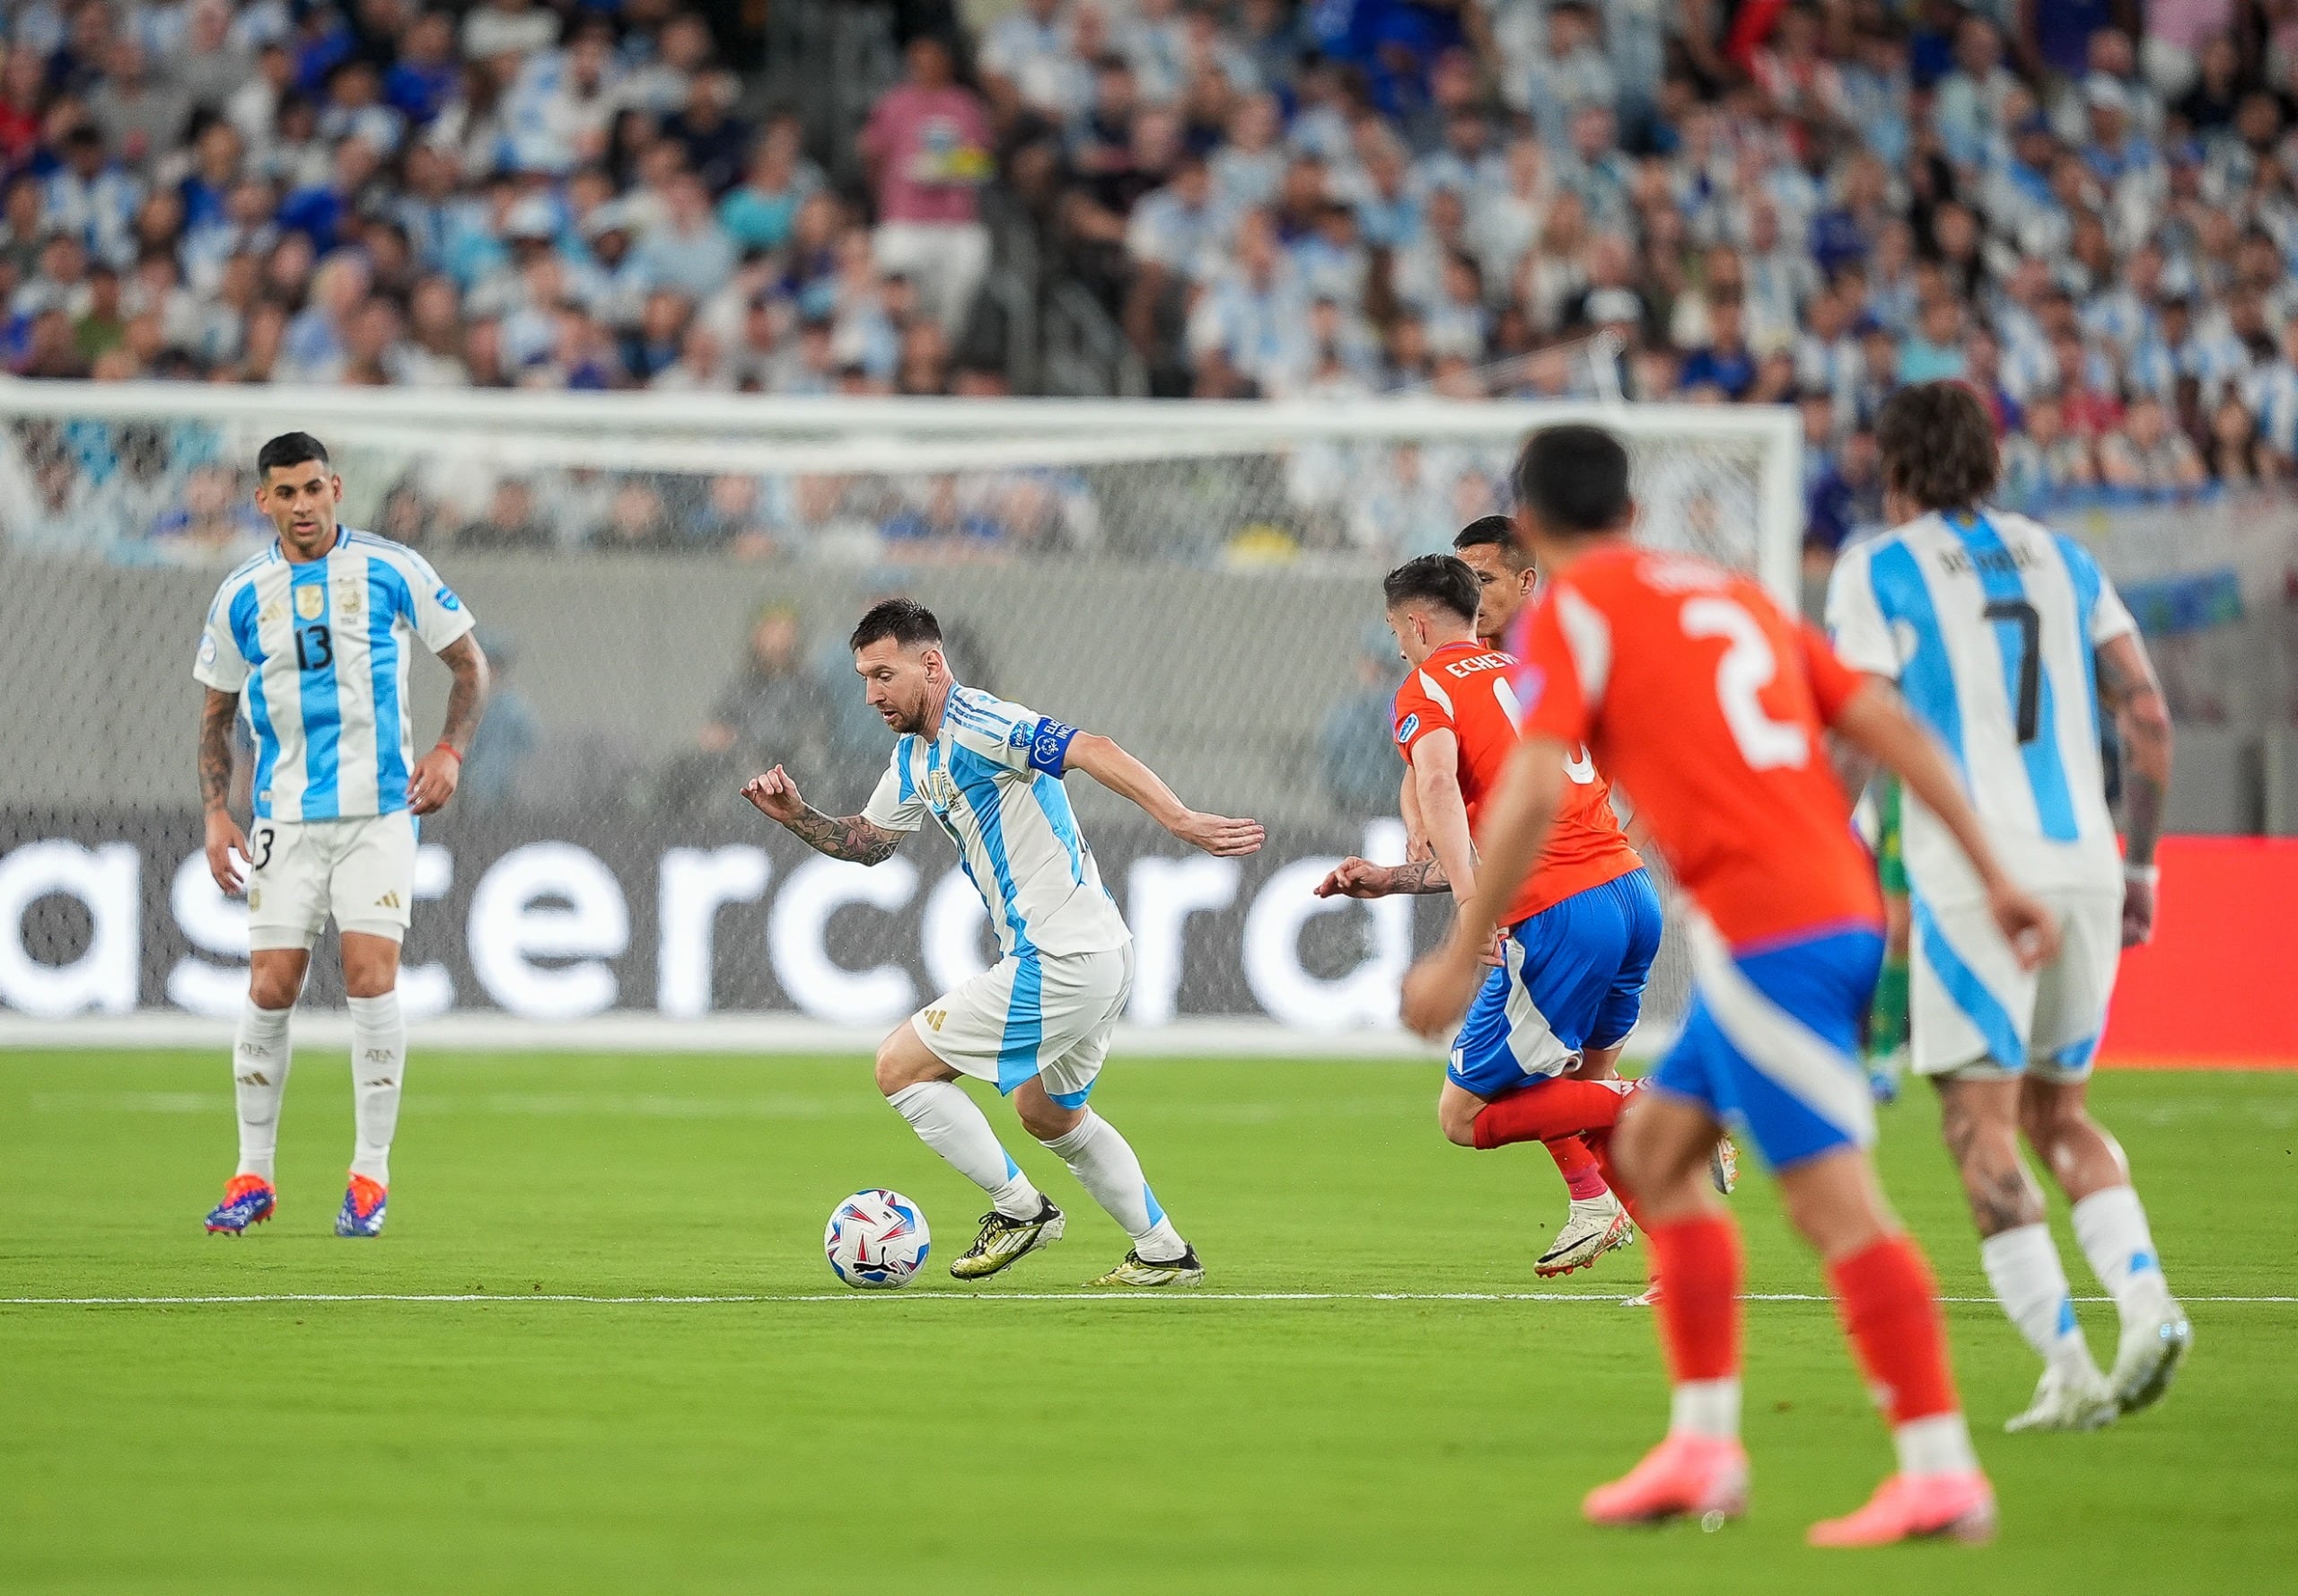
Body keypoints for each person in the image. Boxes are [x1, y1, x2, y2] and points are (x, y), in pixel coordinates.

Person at [1401, 424, 2060, 1545]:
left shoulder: (1575, 611)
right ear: (1627, 506)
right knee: (1656, 1153)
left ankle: (1939, 1465)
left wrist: (1461, 950)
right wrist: (1995, 871)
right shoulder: (1731, 593)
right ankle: (1701, 1447)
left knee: (1832, 1203)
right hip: (1814, 907)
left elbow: (1522, 789)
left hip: (1774, 929)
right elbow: (1880, 720)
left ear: (1533, 524)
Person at [1826, 381, 2190, 1432]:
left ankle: (2069, 1366)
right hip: (2084, 859)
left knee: (1975, 1125)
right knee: (2058, 1113)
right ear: (1991, 459)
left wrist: (1811, 842)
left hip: (1975, 874)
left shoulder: (1878, 568)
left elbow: (1858, 726)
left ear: (1892, 467)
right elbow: (2150, 718)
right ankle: (2146, 1302)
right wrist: (2142, 868)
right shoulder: (2061, 559)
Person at [740, 600, 1263, 1286]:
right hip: (1099, 953)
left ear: (930, 663)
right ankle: (1164, 1253)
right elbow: (867, 843)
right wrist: (797, 816)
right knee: (1046, 1111)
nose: (870, 694)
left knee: (899, 1068)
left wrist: (1181, 818)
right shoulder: (914, 757)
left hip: (1062, 956)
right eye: (864, 678)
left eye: (884, 675)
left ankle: (1020, 1210)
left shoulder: (981, 721)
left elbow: (1092, 749)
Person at [1314, 554, 1662, 1279]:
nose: (1399, 643)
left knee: (1463, 1115)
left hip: (1562, 909)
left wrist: (1474, 910)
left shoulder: (1425, 685)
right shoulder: (1527, 670)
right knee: (1575, 1091)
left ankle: (1661, 1100)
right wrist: (1398, 878)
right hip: (1630, 892)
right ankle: (1664, 1251)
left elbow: (1438, 780)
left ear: (1413, 623)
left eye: (1395, 629)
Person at [193, 432, 491, 1240]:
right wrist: (218, 811)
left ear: (337, 489)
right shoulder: (241, 595)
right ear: (263, 501)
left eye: (313, 490)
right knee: (270, 986)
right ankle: (253, 1174)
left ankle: (369, 1176)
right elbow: (216, 717)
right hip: (283, 819)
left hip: (377, 813)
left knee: (369, 977)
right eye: (284, 493)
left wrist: (450, 749)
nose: (301, 506)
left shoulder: (392, 570)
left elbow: (470, 663)